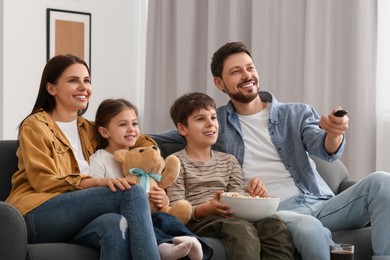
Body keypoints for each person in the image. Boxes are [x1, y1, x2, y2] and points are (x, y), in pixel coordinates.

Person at [151, 42, 390, 260]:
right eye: (235, 71)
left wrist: (335, 133)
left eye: (249, 68)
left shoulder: (295, 113)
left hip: (321, 202)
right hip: (276, 211)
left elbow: (323, 147)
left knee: (382, 181)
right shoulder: (215, 122)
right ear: (219, 83)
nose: (247, 76)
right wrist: (127, 141)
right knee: (309, 228)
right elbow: (159, 139)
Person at [6, 54, 160, 260]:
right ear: (51, 88)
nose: (83, 87)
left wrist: (153, 164)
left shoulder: (89, 128)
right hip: (36, 214)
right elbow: (44, 182)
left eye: (86, 80)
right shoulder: (35, 125)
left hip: (76, 215)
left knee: (114, 225)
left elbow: (138, 138)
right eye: (73, 80)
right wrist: (97, 182)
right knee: (131, 192)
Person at [165, 92, 294, 260]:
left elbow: (237, 197)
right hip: (199, 220)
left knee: (274, 224)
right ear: (183, 129)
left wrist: (251, 193)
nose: (210, 124)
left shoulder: (229, 161)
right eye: (200, 119)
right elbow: (177, 210)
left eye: (213, 117)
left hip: (231, 216)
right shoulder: (175, 162)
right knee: (239, 228)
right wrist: (207, 208)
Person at [90, 98, 213, 260]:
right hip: (123, 216)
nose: (131, 129)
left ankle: (196, 244)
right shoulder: (99, 159)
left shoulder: (145, 157)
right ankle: (163, 246)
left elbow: (157, 185)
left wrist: (163, 199)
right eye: (122, 125)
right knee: (142, 225)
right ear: (105, 132)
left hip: (150, 213)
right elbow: (97, 197)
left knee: (165, 218)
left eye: (134, 124)